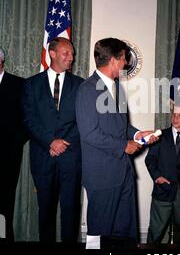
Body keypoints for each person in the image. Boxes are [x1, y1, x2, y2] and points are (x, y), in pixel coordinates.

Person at [75, 37, 157, 243]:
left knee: (124, 234)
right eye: (124, 59)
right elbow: (89, 133)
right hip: (102, 176)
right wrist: (124, 145)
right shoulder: (87, 89)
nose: (126, 63)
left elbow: (121, 127)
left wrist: (138, 135)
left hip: (124, 174)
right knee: (99, 236)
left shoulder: (117, 87)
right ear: (113, 60)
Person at [21, 37, 84, 243]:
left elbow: (83, 121)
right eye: (66, 53)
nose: (71, 58)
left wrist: (62, 144)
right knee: (45, 212)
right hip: (43, 157)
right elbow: (29, 120)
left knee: (70, 213)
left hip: (71, 159)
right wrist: (50, 141)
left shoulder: (80, 85)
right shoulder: (31, 84)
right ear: (52, 53)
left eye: (72, 54)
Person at [145, 106, 180, 244]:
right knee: (156, 231)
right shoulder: (160, 136)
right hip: (162, 190)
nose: (175, 118)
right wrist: (157, 176)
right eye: (173, 115)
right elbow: (150, 159)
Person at [0, 47, 26, 241]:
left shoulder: (19, 85)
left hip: (7, 157)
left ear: (1, 61)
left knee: (4, 202)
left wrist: (14, 144)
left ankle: (2, 237)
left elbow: (27, 121)